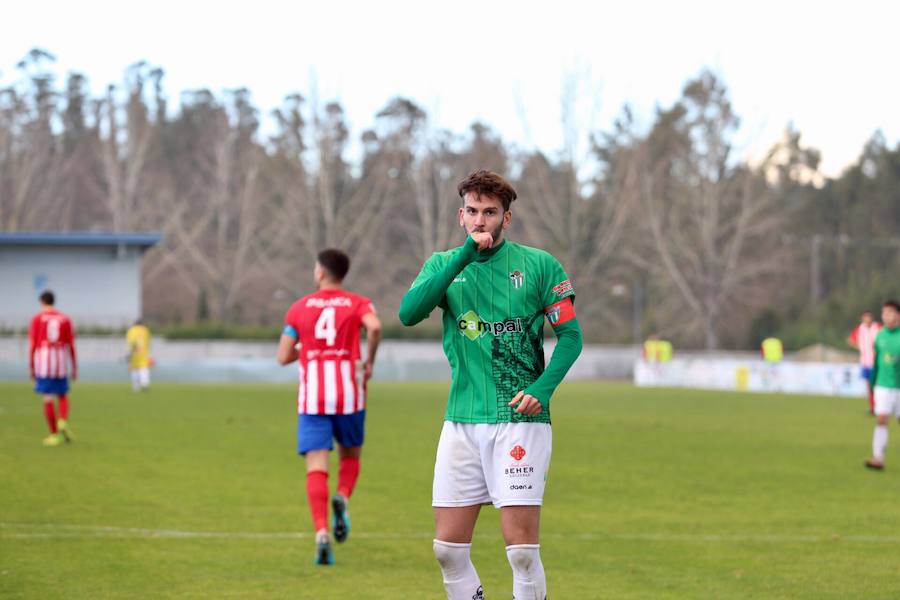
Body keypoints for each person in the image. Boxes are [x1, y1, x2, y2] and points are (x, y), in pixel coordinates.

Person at [399, 169, 583, 600]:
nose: (480, 220)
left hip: (519, 418)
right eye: (473, 211)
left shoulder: (539, 265)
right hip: (461, 421)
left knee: (520, 553)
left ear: (507, 218)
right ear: (461, 215)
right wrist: (463, 256)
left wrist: (542, 389)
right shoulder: (444, 264)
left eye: (490, 212)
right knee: (447, 550)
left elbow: (571, 338)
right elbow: (409, 314)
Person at [276, 249, 382, 565]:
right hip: (349, 394)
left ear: (320, 272)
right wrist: (369, 362)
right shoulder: (357, 303)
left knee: (316, 467)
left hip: (313, 398)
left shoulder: (299, 308)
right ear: (342, 274)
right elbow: (374, 327)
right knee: (350, 456)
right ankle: (343, 497)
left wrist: (308, 347)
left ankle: (321, 532)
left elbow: (282, 356)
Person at [28, 290, 77, 446]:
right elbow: (71, 345)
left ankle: (54, 434)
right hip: (61, 358)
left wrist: (32, 366)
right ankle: (62, 420)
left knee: (48, 397)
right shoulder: (65, 319)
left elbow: (33, 345)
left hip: (44, 359)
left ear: (42, 302)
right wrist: (74, 367)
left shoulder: (37, 319)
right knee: (63, 394)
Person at [864, 300, 900, 470]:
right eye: (884, 313)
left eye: (889, 313)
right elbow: (877, 361)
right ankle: (878, 458)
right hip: (883, 385)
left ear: (897, 315)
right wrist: (872, 382)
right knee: (881, 419)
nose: (886, 316)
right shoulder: (879, 336)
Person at [848, 310, 881, 414]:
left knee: (877, 386)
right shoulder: (860, 328)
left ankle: (880, 406)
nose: (867, 319)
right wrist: (859, 347)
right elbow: (850, 340)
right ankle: (873, 407)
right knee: (869, 386)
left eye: (869, 317)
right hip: (865, 362)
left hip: (877, 362)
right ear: (862, 319)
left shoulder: (878, 327)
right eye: (865, 317)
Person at [126, 319, 153, 392]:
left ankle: (136, 387)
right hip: (144, 353)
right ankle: (145, 384)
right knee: (144, 369)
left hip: (134, 353)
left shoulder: (131, 330)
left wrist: (129, 353)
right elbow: (149, 342)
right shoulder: (146, 330)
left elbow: (131, 341)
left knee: (134, 369)